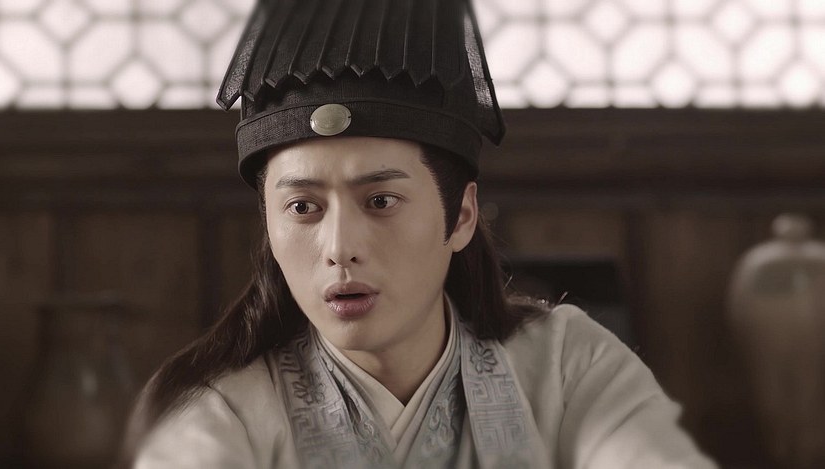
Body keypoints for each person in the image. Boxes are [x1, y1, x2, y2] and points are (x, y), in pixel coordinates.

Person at [122, 0, 716, 467]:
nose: (339, 248)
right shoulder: (219, 412)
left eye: (380, 201)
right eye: (303, 207)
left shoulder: (567, 365)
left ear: (461, 217)